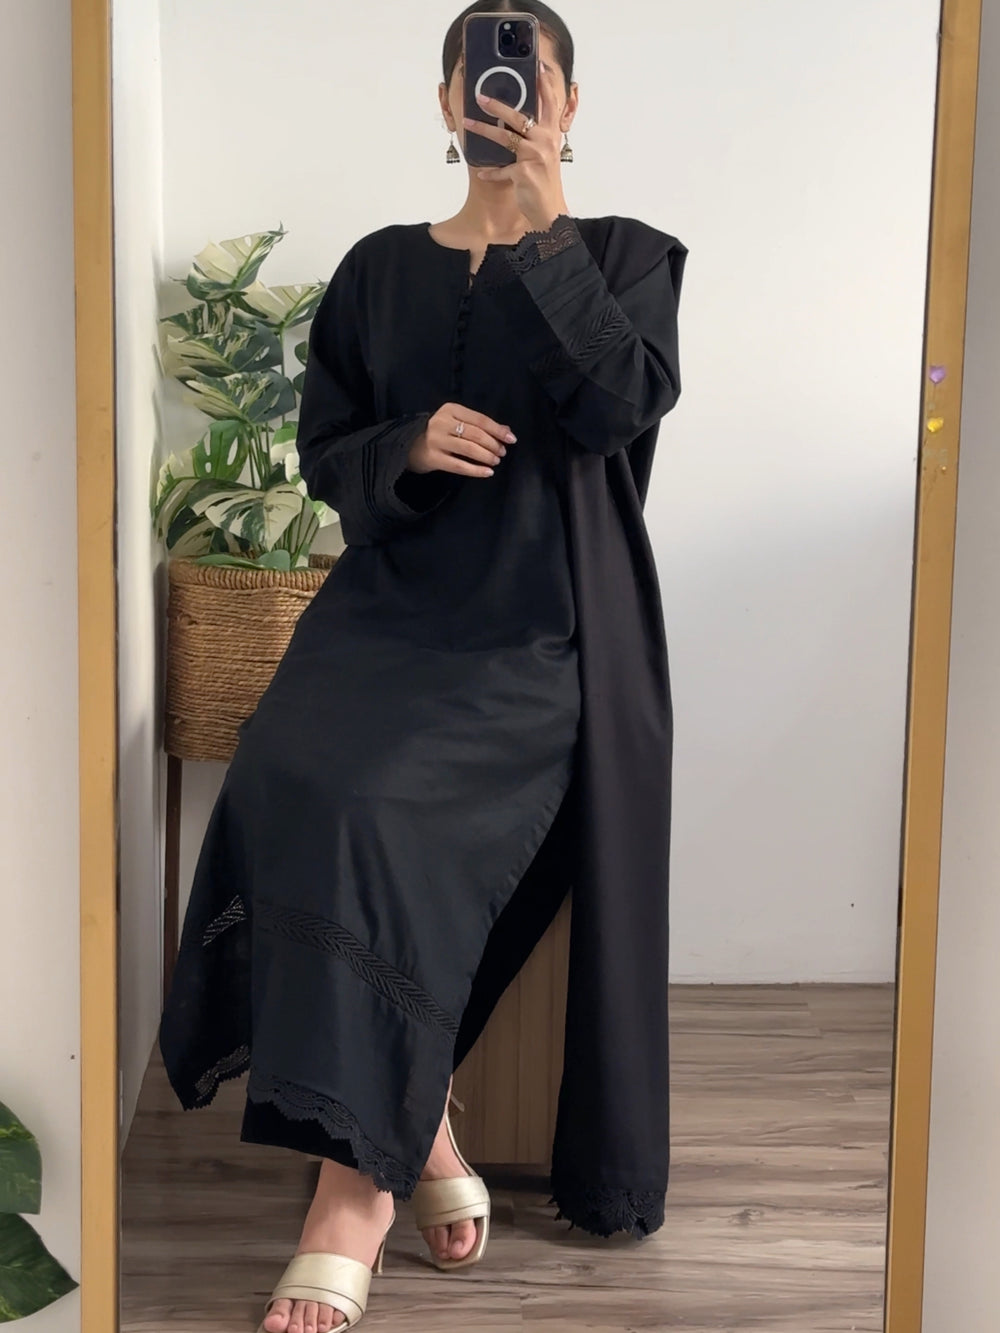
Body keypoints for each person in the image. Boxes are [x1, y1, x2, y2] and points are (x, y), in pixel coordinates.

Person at [157, 3, 687, 1330]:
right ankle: (424, 1130)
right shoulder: (379, 268)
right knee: (284, 774)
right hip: (386, 612)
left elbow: (621, 409)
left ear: (568, 104)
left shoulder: (627, 254)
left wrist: (544, 231)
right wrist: (406, 445)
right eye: (482, 73)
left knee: (376, 809)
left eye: (530, 74)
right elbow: (326, 447)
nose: (505, 95)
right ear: (446, 101)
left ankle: (353, 1193)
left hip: (542, 629)